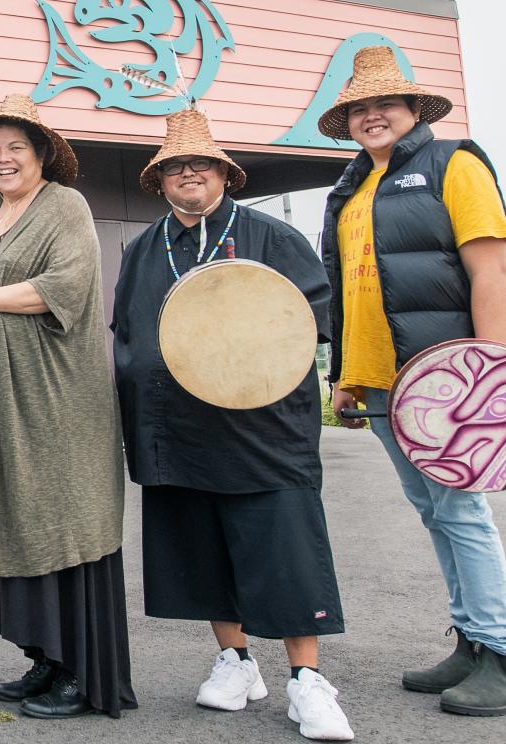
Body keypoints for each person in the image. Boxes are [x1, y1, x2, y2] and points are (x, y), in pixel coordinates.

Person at [111, 108, 352, 741]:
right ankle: (236, 660)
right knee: (201, 548)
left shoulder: (273, 238)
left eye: (201, 163)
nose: (188, 173)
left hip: (263, 431)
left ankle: (306, 679)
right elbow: (127, 336)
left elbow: (311, 325)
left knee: (284, 550)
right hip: (176, 432)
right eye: (175, 166)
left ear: (224, 173)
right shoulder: (141, 251)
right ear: (160, 180)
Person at [321, 46, 506, 717]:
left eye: (384, 102)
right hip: (386, 384)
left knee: (462, 510)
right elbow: (348, 293)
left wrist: (490, 371)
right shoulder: (352, 189)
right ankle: (471, 642)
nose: (371, 115)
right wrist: (343, 377)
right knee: (434, 510)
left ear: (414, 108)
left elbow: (488, 275)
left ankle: (505, 660)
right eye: (359, 107)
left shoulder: (455, 165)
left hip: (450, 379)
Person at [0, 93, 136, 720]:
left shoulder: (66, 207)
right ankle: (44, 656)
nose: (3, 159)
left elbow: (66, 287)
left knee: (64, 516)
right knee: (17, 517)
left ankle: (82, 670)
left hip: (57, 402)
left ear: (41, 153)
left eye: (15, 148)